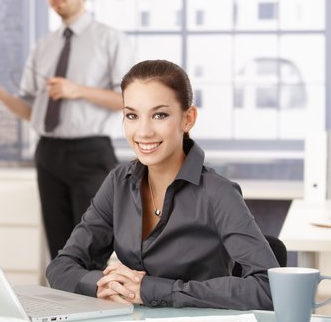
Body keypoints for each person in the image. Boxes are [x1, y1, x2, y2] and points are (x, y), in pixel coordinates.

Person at [46, 60, 279, 310]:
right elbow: (61, 268)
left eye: (160, 115)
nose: (143, 131)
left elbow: (268, 288)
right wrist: (104, 284)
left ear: (187, 119)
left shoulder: (218, 193)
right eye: (132, 115)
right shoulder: (118, 183)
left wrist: (151, 290)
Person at [0, 0, 134, 260]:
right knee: (60, 252)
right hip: (48, 154)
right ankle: (64, 306)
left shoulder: (111, 40)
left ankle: (95, 308)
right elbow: (31, 112)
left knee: (91, 250)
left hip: (90, 154)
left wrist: (78, 90)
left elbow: (129, 101)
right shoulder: (43, 47)